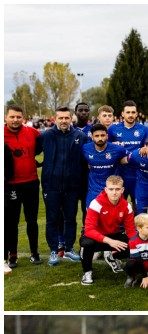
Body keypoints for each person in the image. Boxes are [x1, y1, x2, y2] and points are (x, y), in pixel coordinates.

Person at [40, 107, 89, 265]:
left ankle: (69, 248)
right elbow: (31, 152)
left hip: (72, 186)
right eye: (60, 118)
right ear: (54, 119)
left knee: (70, 219)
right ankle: (54, 250)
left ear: (71, 119)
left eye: (66, 118)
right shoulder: (46, 135)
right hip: (51, 186)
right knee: (52, 219)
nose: (63, 121)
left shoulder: (80, 136)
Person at [79, 176, 136, 286]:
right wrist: (110, 241)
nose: (114, 192)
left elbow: (130, 230)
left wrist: (139, 243)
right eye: (111, 189)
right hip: (96, 237)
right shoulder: (96, 204)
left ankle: (112, 257)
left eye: (117, 189)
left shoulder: (126, 206)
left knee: (133, 243)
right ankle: (87, 271)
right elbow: (89, 230)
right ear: (106, 190)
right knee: (86, 243)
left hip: (114, 235)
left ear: (122, 190)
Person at [5, 104, 43, 269]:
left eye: (18, 117)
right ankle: (12, 255)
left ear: (23, 118)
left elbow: (40, 148)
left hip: (31, 182)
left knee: (32, 220)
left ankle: (34, 253)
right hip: (10, 185)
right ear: (5, 117)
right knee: (11, 222)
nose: (15, 120)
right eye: (12, 116)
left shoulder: (32, 132)